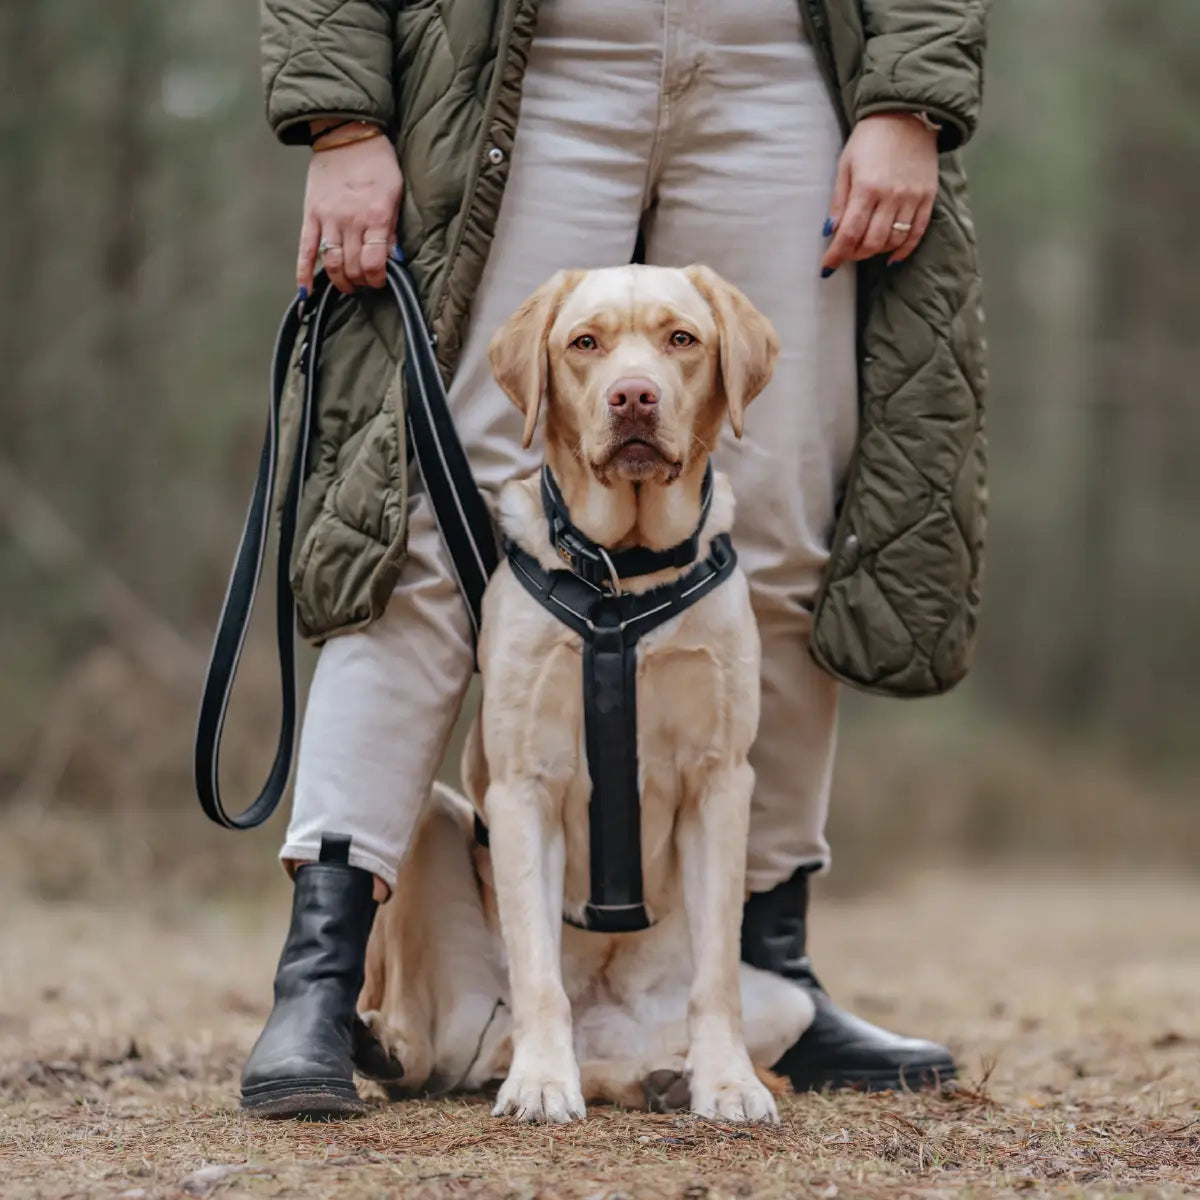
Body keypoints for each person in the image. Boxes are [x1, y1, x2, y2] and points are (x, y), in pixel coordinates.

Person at [241, 0, 988, 1119]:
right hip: (525, 60)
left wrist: (911, 97)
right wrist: (341, 119)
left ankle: (758, 975)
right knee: (426, 522)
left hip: (779, 61)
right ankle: (322, 973)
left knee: (782, 532)